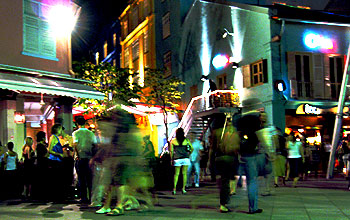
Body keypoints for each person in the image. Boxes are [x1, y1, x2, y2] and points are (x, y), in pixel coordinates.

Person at [236, 112, 263, 214]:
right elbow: (258, 147)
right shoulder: (254, 134)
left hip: (241, 156)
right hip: (251, 157)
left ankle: (239, 180)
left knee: (245, 178)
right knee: (252, 182)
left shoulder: (240, 133)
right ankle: (253, 207)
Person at [212, 117, 240, 213]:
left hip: (220, 158)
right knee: (226, 181)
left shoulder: (217, 132)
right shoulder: (234, 132)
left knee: (224, 180)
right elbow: (237, 147)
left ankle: (224, 201)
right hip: (229, 158)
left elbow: (212, 148)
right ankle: (223, 203)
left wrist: (210, 160)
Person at [73, 116, 98, 204]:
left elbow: (75, 144)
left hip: (80, 158)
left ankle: (83, 198)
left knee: (81, 178)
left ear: (77, 124)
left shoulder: (76, 133)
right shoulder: (90, 133)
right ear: (85, 123)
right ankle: (91, 197)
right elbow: (95, 145)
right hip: (89, 158)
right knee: (90, 178)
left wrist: (78, 155)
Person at [170, 128, 193, 195]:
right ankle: (183, 189)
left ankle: (174, 189)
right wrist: (189, 154)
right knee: (184, 174)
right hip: (185, 158)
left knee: (176, 174)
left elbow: (171, 151)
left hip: (177, 159)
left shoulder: (173, 141)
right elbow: (192, 148)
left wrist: (171, 159)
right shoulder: (186, 140)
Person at [48, 124, 64, 201]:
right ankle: (55, 196)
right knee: (56, 179)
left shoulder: (56, 137)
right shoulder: (53, 137)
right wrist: (59, 154)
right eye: (60, 129)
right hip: (55, 161)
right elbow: (50, 150)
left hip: (57, 160)